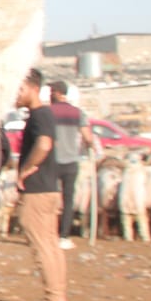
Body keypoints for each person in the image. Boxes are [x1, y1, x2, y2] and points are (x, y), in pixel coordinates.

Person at [14, 68, 71, 301]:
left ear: (33, 89)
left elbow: (44, 144)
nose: (15, 94)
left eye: (19, 89)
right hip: (48, 188)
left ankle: (53, 298)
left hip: (37, 190)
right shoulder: (43, 115)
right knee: (50, 243)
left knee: (41, 244)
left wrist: (26, 169)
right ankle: (58, 294)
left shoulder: (40, 115)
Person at [46, 79, 90, 248]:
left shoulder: (48, 112)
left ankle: (49, 233)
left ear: (57, 93)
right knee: (68, 199)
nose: (50, 95)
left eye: (51, 92)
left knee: (50, 198)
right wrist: (89, 146)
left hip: (52, 162)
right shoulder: (78, 113)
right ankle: (63, 236)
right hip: (71, 161)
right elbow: (87, 137)